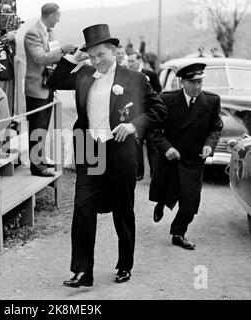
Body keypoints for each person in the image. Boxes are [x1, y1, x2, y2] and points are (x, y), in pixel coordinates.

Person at [47, 24, 167, 287]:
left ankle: (125, 264)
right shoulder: (84, 74)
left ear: (113, 50)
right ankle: (82, 271)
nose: (96, 61)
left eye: (101, 54)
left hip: (120, 149)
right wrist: (75, 58)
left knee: (123, 209)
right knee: (82, 208)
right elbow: (52, 82)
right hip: (90, 147)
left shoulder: (134, 78)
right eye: (92, 56)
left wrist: (134, 125)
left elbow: (159, 110)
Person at [149, 62, 223, 250]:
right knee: (168, 189)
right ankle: (162, 203)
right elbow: (154, 130)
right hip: (171, 156)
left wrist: (209, 145)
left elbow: (215, 128)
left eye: (200, 82)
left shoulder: (212, 101)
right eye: (192, 83)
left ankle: (178, 233)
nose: (197, 87)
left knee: (190, 200)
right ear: (182, 82)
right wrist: (166, 148)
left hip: (194, 158)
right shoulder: (166, 99)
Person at [24, 2, 76, 177]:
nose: (59, 20)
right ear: (51, 15)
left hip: (47, 86)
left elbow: (52, 57)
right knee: (37, 126)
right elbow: (40, 58)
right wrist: (61, 51)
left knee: (43, 127)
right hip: (36, 88)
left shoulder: (50, 33)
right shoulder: (33, 33)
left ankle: (40, 160)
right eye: (58, 16)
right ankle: (37, 166)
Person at [127, 51, 162, 179]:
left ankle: (154, 173)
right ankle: (138, 173)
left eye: (132, 61)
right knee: (137, 145)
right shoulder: (127, 75)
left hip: (150, 115)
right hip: (135, 115)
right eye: (129, 61)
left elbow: (158, 92)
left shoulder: (151, 74)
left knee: (153, 145)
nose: (130, 64)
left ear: (139, 60)